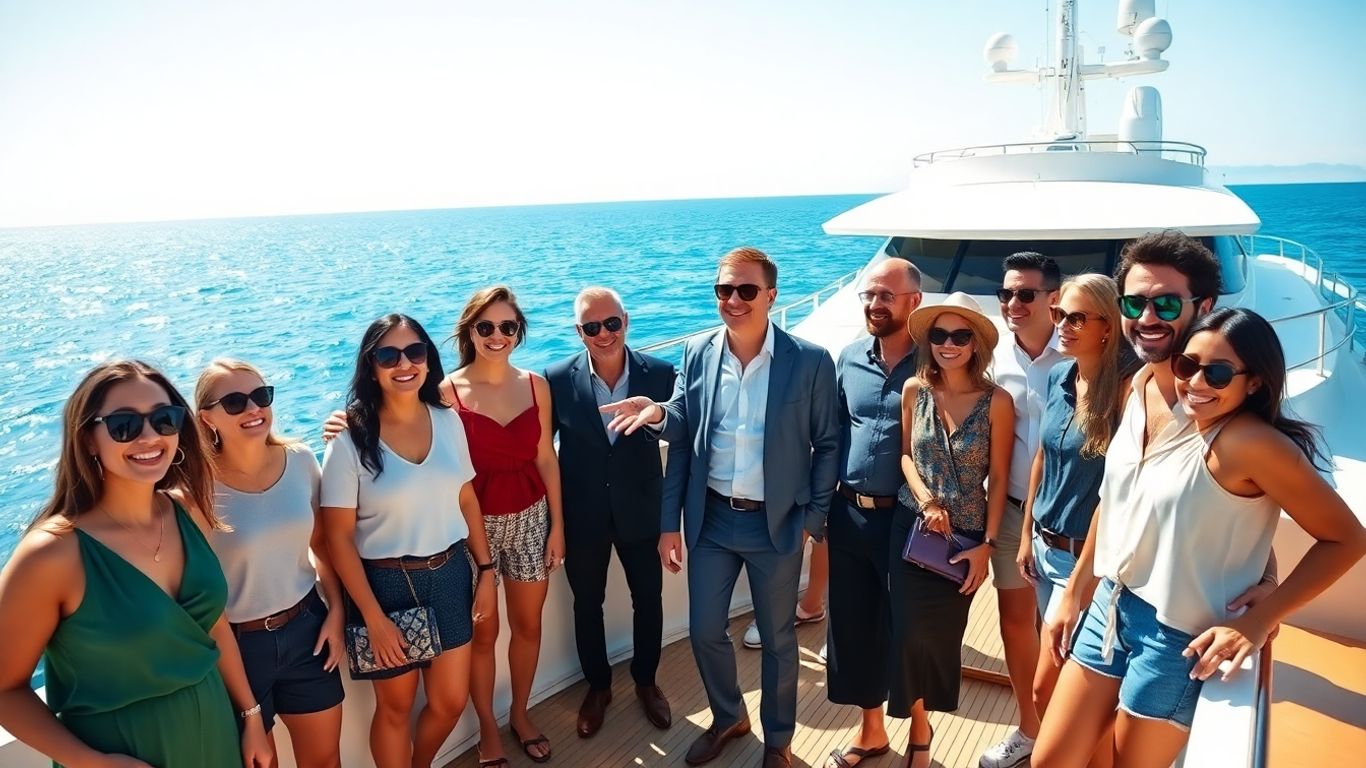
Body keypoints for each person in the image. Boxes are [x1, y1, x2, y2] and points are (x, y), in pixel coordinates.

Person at [1033, 305, 1366, 768]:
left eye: (1218, 372)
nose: (1195, 382)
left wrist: (1259, 620)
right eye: (1187, 365)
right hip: (1113, 603)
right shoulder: (1163, 412)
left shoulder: (1251, 444)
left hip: (1177, 638)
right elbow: (1142, 508)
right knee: (1050, 760)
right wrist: (1078, 590)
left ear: (1255, 382)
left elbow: (1347, 539)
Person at [602, 246, 839, 768]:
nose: (733, 299)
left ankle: (778, 742)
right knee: (706, 631)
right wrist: (657, 414)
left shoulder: (810, 360)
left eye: (746, 290)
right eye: (724, 289)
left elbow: (828, 445)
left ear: (771, 295)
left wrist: (812, 520)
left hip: (777, 524)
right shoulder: (698, 351)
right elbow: (684, 429)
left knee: (778, 640)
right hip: (710, 519)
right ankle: (729, 716)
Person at [0, 360, 271, 767]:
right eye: (124, 425)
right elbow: (5, 689)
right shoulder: (52, 553)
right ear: (88, 440)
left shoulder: (187, 510)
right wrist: (92, 763)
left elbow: (213, 625)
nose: (149, 436)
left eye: (164, 420)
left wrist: (250, 717)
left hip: (218, 738)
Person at [320, 315, 495, 768]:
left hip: (450, 574)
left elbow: (466, 497)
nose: (404, 364)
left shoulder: (448, 420)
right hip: (384, 585)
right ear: (371, 366)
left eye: (415, 352)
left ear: (428, 360)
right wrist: (373, 617)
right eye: (388, 355)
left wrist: (486, 572)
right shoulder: (348, 441)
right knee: (395, 709)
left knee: (450, 701)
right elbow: (338, 538)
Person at [196, 358, 346, 768]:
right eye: (234, 402)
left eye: (261, 396)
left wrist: (336, 612)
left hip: (308, 631)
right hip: (238, 649)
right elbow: (199, 596)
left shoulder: (300, 459)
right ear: (207, 418)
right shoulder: (196, 489)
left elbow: (322, 543)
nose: (253, 408)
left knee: (325, 761)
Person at [544, 287, 676, 738]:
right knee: (587, 604)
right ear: (578, 331)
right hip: (582, 517)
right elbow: (540, 452)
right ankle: (598, 687)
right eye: (591, 327)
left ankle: (646, 682)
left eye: (612, 323)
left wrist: (671, 521)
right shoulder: (555, 379)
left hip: (642, 512)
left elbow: (684, 436)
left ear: (626, 321)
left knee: (649, 600)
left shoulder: (661, 374)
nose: (603, 334)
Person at [890, 293, 1014, 768]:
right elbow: (906, 455)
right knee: (907, 634)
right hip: (911, 529)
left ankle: (927, 720)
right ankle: (919, 731)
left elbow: (999, 478)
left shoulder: (996, 402)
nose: (948, 344)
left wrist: (988, 546)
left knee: (941, 638)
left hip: (965, 541)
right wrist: (926, 500)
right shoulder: (914, 390)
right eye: (939, 335)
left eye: (960, 336)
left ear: (975, 343)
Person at [442, 287, 564, 766]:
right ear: (470, 331)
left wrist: (558, 526)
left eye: (507, 326)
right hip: (476, 531)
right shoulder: (446, 394)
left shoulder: (536, 386)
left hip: (533, 519)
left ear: (519, 332)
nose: (497, 336)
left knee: (529, 625)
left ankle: (519, 713)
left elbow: (546, 457)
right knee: (484, 635)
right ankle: (488, 729)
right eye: (486, 326)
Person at [1011, 275, 1123, 742]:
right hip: (1045, 549)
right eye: (1059, 314)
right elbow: (1042, 456)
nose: (1062, 325)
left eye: (1076, 318)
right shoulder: (1060, 375)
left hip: (1086, 564)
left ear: (1108, 326)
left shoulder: (1126, 392)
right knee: (1059, 689)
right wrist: (1026, 536)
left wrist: (1078, 585)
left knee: (1047, 689)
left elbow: (1117, 495)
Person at [823, 257, 923, 768]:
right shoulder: (848, 358)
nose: (875, 303)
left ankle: (921, 733)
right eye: (869, 294)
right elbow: (834, 433)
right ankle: (872, 730)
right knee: (854, 626)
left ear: (914, 302)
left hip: (907, 520)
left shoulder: (935, 361)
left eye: (887, 295)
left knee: (909, 628)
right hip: (848, 513)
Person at [978, 251, 1063, 768]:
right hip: (1010, 510)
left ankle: (1069, 729)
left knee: (1062, 630)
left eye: (1025, 294)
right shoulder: (993, 356)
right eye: (1006, 293)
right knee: (1014, 623)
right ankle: (1031, 728)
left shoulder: (1079, 350)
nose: (1012, 303)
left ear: (1053, 298)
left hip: (1070, 518)